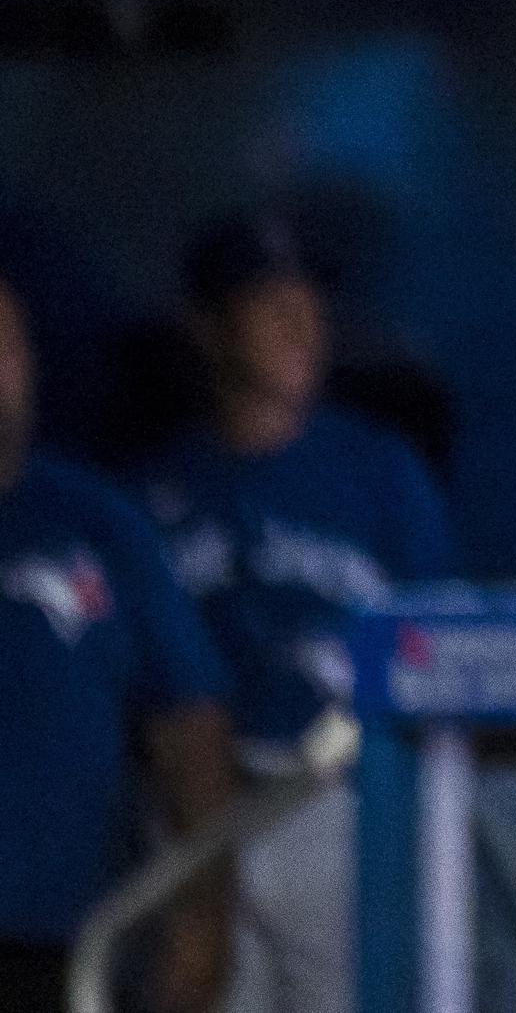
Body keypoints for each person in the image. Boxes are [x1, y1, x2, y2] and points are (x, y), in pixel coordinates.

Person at [138, 214, 454, 1013]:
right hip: (201, 812)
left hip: (340, 799)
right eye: (266, 300)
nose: (299, 320)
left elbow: (445, 647)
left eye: (308, 298)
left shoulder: (381, 472)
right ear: (207, 327)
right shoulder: (153, 491)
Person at [0, 279, 236, 1013]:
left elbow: (191, 722)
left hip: (72, 946)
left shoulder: (95, 522)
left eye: (6, 344)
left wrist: (204, 921)